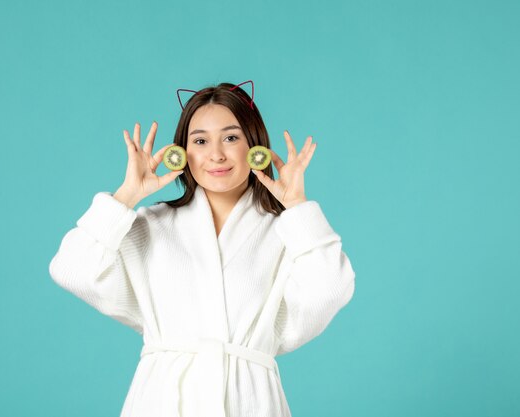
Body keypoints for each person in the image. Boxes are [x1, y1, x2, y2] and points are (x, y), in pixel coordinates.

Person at [48, 80, 356, 417]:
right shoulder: (151, 225)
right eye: (200, 141)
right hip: (162, 400)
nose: (216, 154)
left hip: (249, 401)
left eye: (231, 137)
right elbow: (71, 269)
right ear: (182, 152)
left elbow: (330, 291)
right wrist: (126, 196)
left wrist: (297, 207)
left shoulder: (287, 232)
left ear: (255, 146)